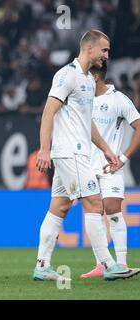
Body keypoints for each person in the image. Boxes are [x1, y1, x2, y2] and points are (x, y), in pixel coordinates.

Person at [33, 30, 140, 281]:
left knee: (58, 208)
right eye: (104, 50)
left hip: (76, 152)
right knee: (94, 203)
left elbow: (86, 122)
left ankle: (42, 265)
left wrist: (106, 149)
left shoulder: (89, 81)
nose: (107, 55)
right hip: (71, 152)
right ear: (89, 49)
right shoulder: (66, 75)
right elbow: (48, 111)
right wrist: (44, 149)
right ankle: (109, 264)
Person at [81, 61, 140, 278]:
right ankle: (102, 264)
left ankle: (122, 263)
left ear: (94, 77)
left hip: (110, 167)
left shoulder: (118, 100)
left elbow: (139, 127)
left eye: (85, 75)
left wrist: (123, 157)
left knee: (113, 210)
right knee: (93, 214)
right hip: (85, 166)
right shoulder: (81, 101)